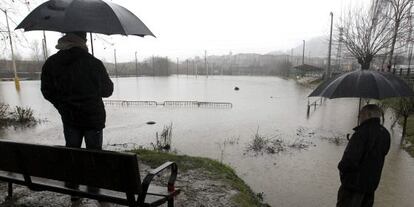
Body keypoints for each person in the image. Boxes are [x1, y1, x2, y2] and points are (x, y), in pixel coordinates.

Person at [40, 32, 113, 205]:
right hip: (93, 118)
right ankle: (97, 195)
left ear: (65, 40)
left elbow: (46, 91)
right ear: (83, 42)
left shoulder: (52, 63)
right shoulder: (93, 63)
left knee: (72, 153)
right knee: (94, 155)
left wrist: (62, 105)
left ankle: (74, 194)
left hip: (70, 118)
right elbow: (107, 90)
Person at [336, 104, 390, 207]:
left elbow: (350, 160)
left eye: (361, 114)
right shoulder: (385, 133)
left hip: (353, 187)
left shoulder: (361, 133)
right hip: (371, 187)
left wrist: (341, 168)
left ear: (368, 114)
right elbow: (383, 153)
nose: (359, 117)